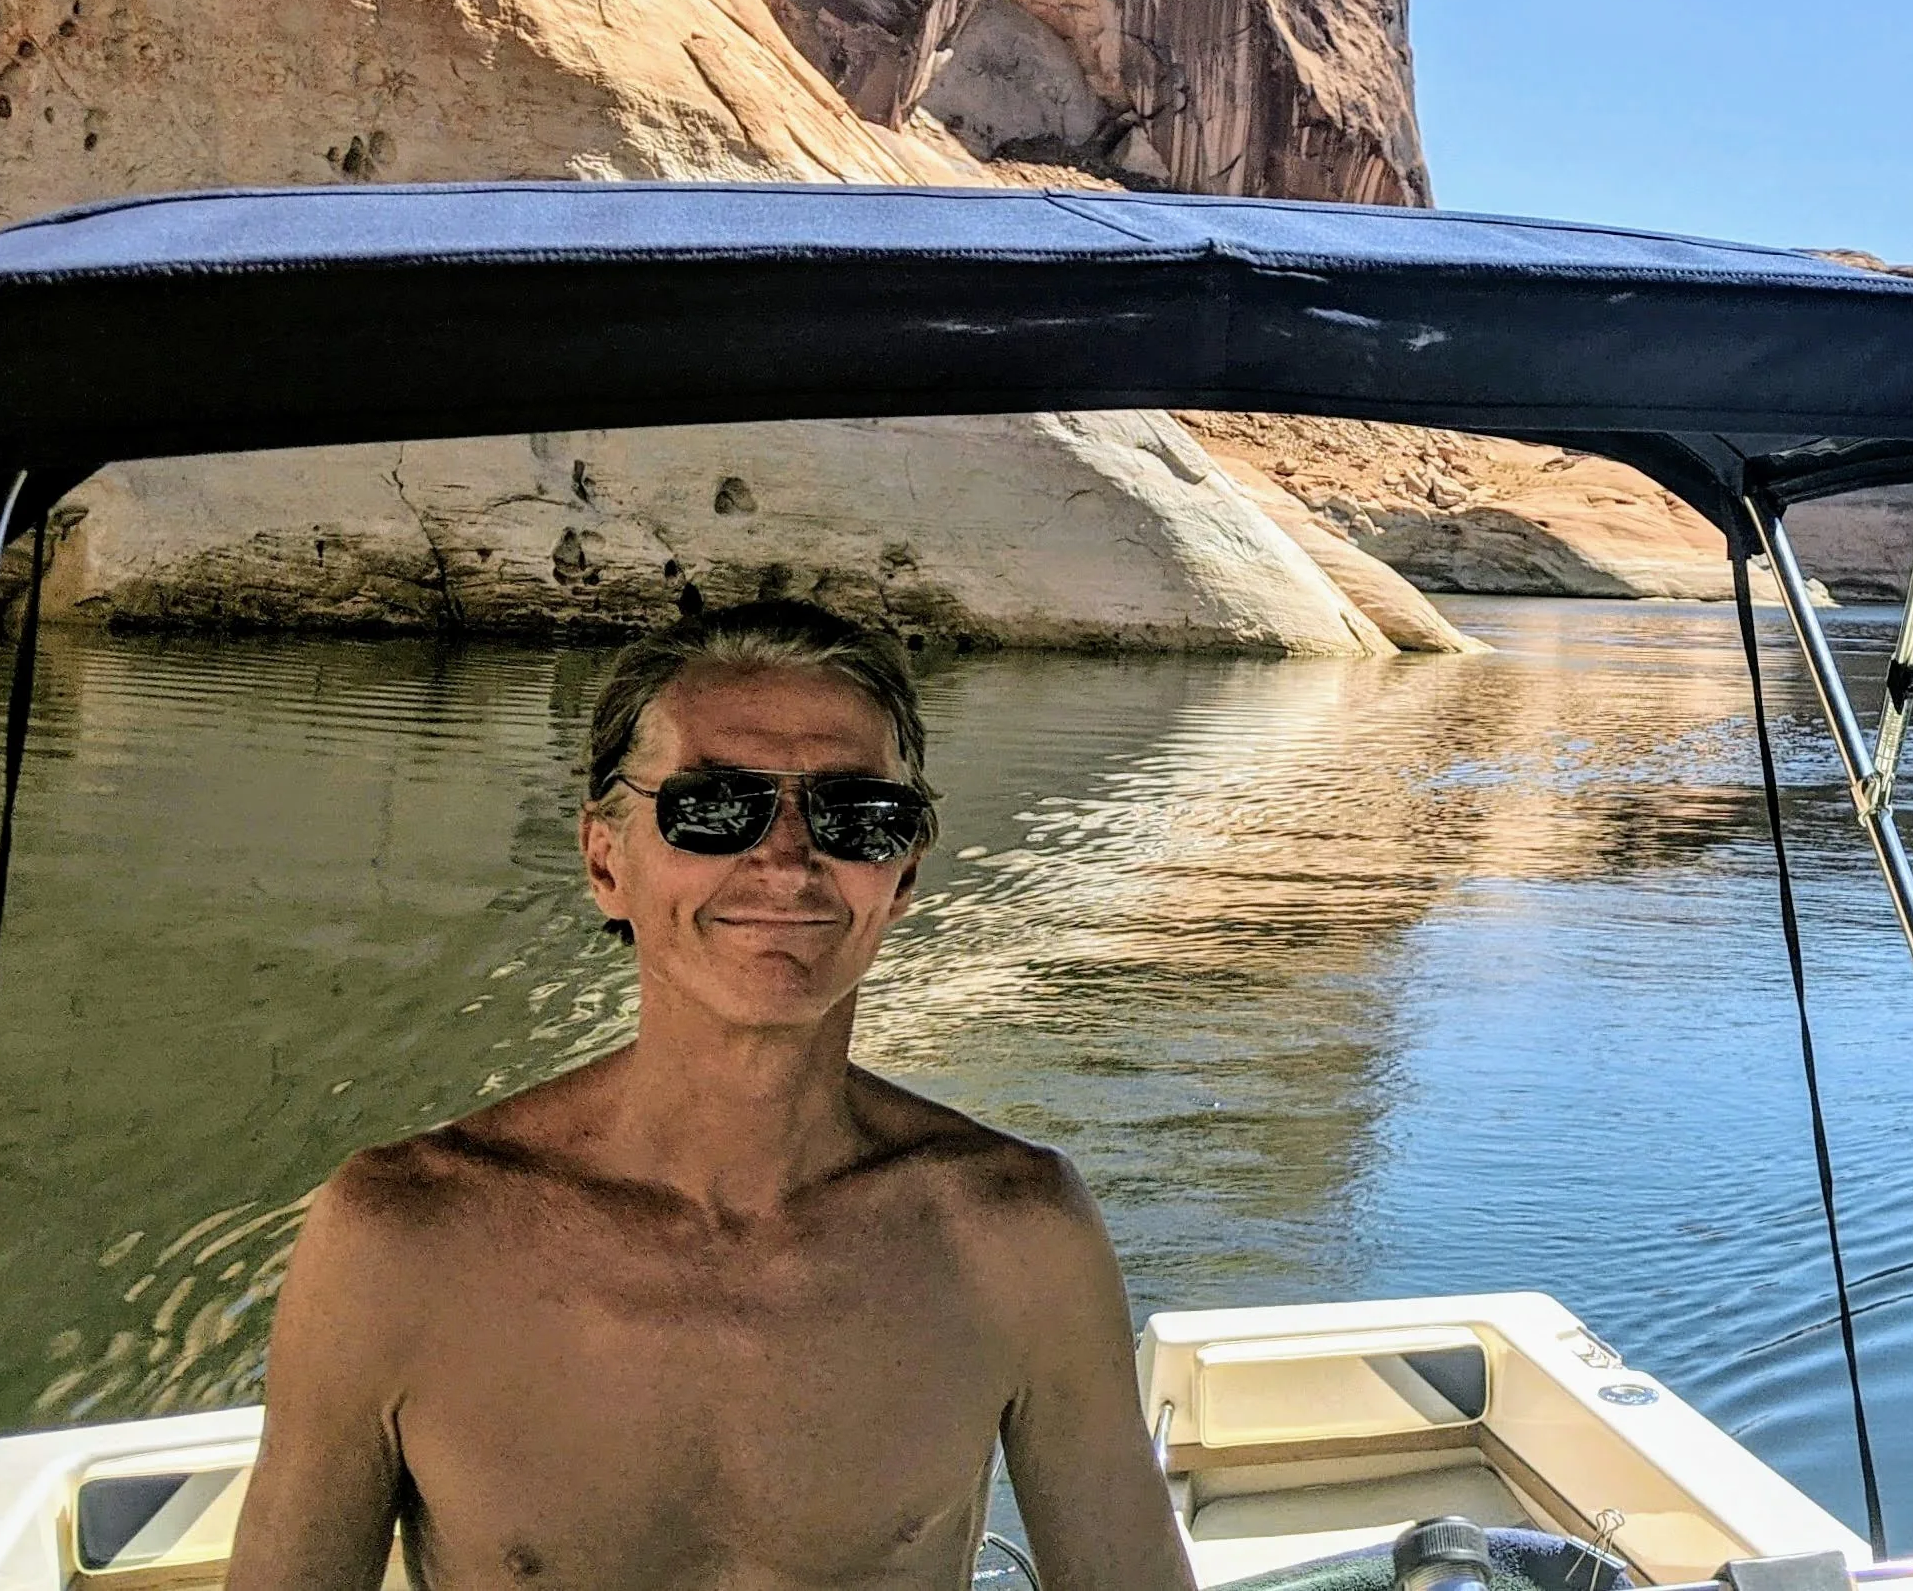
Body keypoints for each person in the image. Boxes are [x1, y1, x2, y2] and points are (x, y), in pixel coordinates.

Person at [229, 601, 1192, 1591]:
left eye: (853, 814)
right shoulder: (400, 1237)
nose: (784, 858)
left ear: (900, 872)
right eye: (714, 805)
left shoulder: (1017, 1232)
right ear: (607, 859)